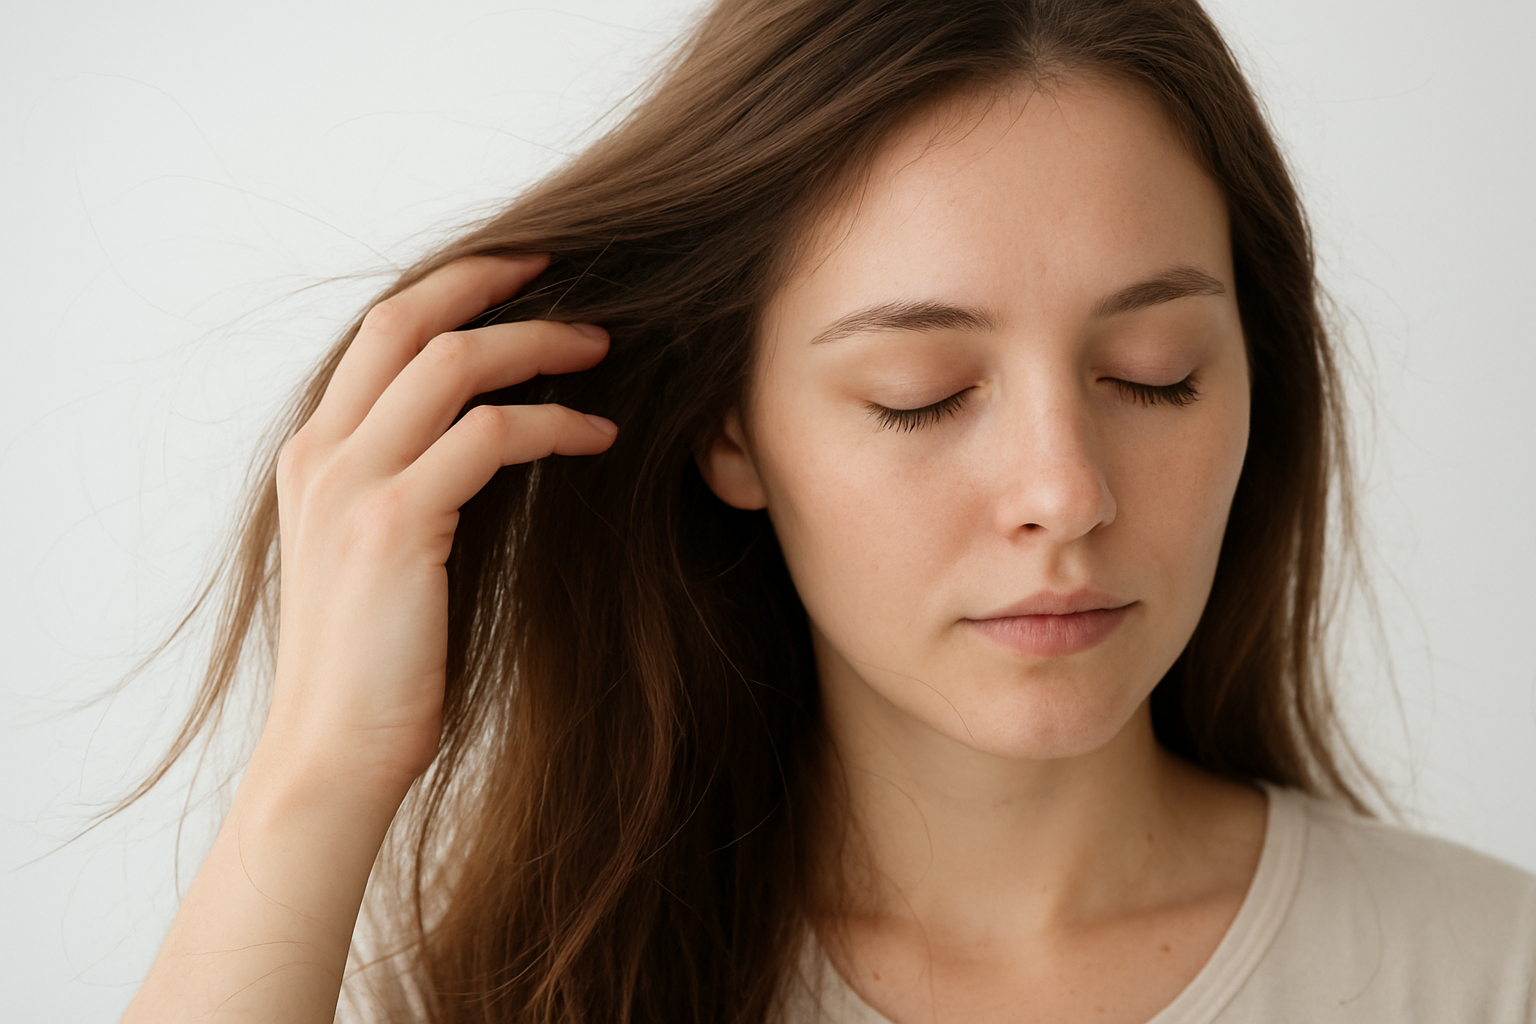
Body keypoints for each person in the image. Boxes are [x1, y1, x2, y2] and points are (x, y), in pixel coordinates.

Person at [117, 0, 1536, 1022]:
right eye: (921, 393)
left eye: (1151, 376)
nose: (1066, 492)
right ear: (732, 426)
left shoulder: (1488, 973)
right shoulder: (465, 990)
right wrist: (319, 769)